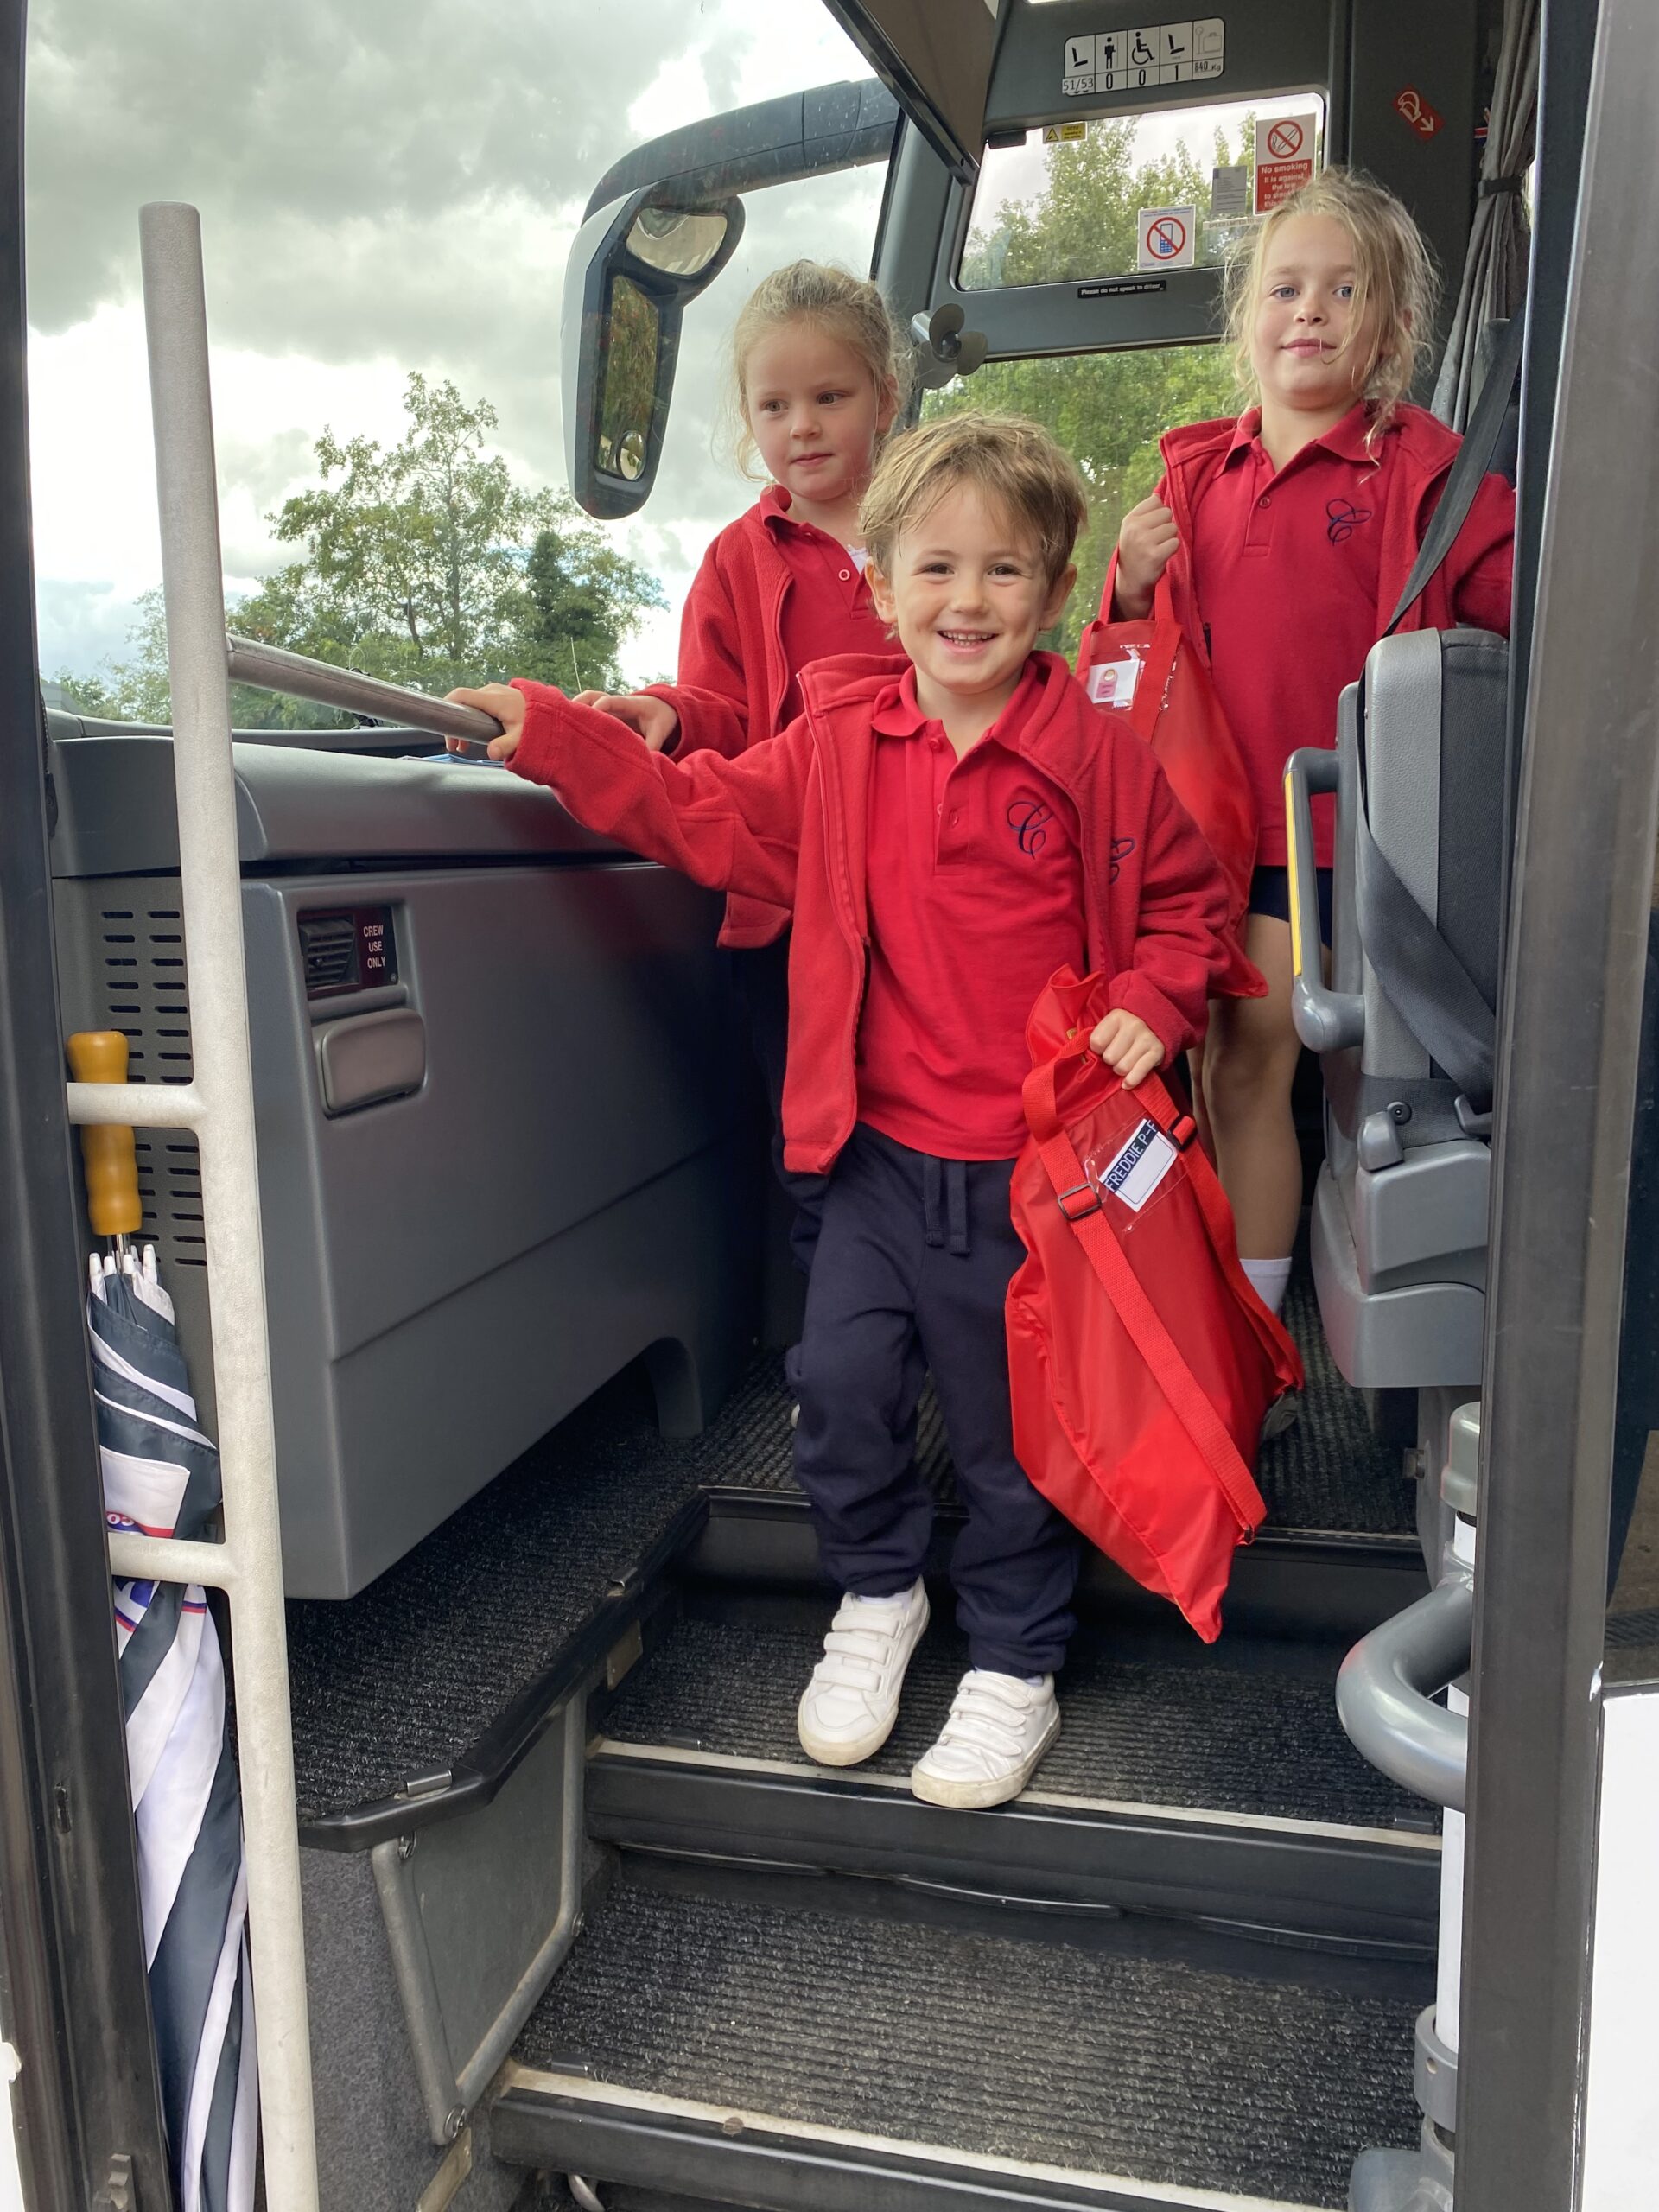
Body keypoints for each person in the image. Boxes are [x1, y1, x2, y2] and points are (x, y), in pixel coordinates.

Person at [449, 411, 1230, 1809]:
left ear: (1055, 593)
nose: (968, 601)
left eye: (1005, 573)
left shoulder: (1094, 758)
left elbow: (1190, 905)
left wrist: (1159, 1002)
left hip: (1034, 1181)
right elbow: (696, 811)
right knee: (845, 1391)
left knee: (1011, 1439)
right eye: (935, 570)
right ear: (880, 588)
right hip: (870, 1161)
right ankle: (880, 1594)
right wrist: (561, 734)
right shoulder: (838, 746)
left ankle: (1015, 1661)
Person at [1100, 167, 1515, 1317]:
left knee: (1362, 1092)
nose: (1311, 309)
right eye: (1286, 286)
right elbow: (1123, 678)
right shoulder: (1192, 482)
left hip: (1381, 848)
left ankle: (1311, 1316)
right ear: (1249, 317)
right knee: (1239, 1069)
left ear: (1392, 326)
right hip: (1241, 848)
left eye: (1345, 289)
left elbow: (1524, 593)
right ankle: (1252, 1336)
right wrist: (1127, 587)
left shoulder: (1424, 472)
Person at [572, 260, 910, 1270]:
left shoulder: (932, 532)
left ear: (884, 400)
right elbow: (727, 706)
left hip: (923, 885)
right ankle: (850, 1349)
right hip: (793, 901)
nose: (801, 425)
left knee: (936, 1117)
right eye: (775, 405)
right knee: (813, 1129)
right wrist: (667, 716)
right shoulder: (737, 559)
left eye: (829, 398)